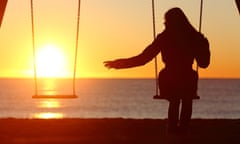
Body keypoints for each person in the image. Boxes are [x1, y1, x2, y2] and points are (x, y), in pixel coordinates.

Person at [104, 7, 210, 134]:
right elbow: (204, 64)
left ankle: (173, 130)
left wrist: (119, 64)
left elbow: (143, 59)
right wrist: (203, 44)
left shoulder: (165, 38)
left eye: (166, 21)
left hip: (169, 79)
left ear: (171, 22)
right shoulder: (193, 37)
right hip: (187, 80)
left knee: (175, 99)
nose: (164, 24)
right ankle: (182, 130)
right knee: (186, 98)